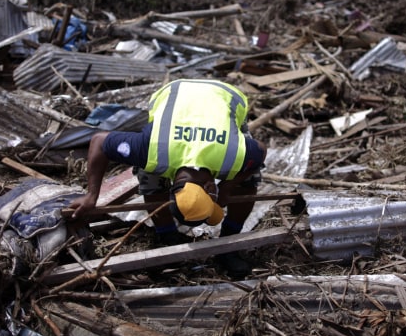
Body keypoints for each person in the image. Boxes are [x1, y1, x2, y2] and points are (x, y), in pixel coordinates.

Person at [69, 78, 267, 277]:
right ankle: (167, 235)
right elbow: (99, 142)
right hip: (176, 94)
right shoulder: (151, 150)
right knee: (150, 175)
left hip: (225, 94)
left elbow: (261, 151)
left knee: (249, 178)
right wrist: (91, 196)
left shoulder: (233, 155)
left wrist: (227, 187)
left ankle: (229, 244)